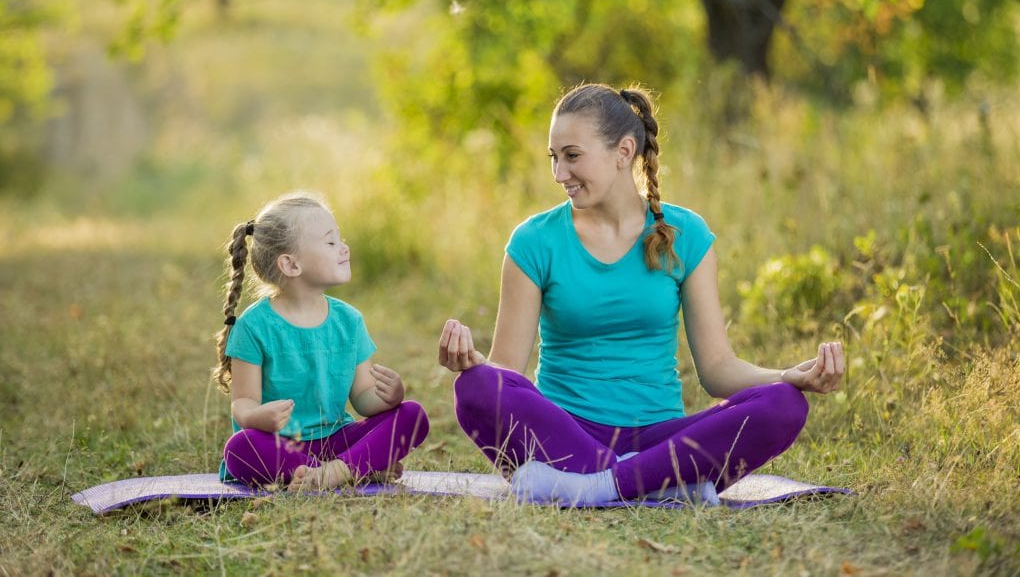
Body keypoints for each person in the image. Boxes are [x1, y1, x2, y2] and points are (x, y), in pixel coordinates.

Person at [438, 83, 845, 505]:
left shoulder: (686, 236)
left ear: (624, 151)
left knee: (784, 405)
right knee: (477, 388)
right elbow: (509, 373)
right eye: (553, 158)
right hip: (566, 430)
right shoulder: (534, 241)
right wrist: (474, 363)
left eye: (572, 156)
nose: (560, 174)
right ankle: (655, 484)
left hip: (658, 436)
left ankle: (597, 486)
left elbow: (717, 369)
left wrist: (786, 377)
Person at [213, 192, 429, 490]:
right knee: (240, 448)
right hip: (283, 446)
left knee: (412, 415)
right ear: (291, 264)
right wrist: (257, 416)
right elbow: (243, 403)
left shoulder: (349, 321)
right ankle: (356, 468)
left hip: (339, 441)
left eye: (340, 239)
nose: (344, 248)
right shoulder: (254, 326)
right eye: (331, 242)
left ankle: (334, 472)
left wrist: (389, 397)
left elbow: (364, 397)